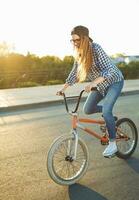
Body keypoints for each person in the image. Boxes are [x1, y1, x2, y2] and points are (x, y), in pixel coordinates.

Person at [57, 25, 124, 158]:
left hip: (114, 82)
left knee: (106, 110)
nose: (75, 43)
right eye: (73, 40)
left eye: (77, 40)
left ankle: (112, 144)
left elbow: (109, 70)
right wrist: (63, 88)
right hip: (100, 86)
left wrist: (93, 83)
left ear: (85, 38)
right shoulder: (79, 53)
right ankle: (110, 117)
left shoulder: (96, 48)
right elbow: (75, 73)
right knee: (88, 109)